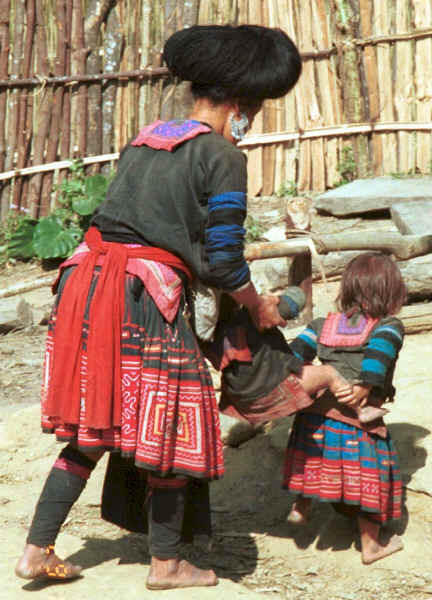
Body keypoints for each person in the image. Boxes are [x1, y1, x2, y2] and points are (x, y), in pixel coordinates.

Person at [15, 24, 303, 590]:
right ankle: (168, 564)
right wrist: (257, 305)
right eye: (258, 111)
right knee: (171, 424)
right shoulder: (222, 156)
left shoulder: (147, 138)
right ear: (244, 105)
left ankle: (35, 549)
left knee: (96, 422)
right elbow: (222, 262)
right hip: (144, 295)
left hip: (87, 287)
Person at [282, 252, 406, 565]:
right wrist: (365, 385)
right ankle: (371, 546)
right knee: (370, 482)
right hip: (356, 419)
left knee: (314, 460)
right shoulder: (388, 325)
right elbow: (380, 353)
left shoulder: (323, 323)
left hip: (313, 417)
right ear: (390, 291)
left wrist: (312, 378)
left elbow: (294, 353)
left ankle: (302, 504)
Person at [201, 286, 385, 427]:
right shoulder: (255, 315)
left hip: (239, 395)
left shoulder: (208, 332)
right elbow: (291, 304)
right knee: (329, 373)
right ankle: (361, 410)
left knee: (308, 374)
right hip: (269, 388)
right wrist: (276, 299)